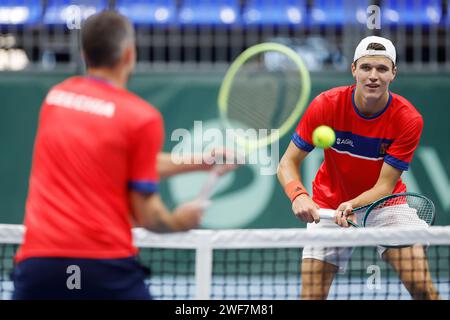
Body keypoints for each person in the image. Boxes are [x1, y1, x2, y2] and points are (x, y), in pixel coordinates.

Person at [12, 11, 234, 300]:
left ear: (83, 53)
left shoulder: (55, 99)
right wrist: (180, 221)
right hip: (103, 267)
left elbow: (116, 162)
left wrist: (201, 162)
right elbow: (148, 216)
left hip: (39, 265)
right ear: (130, 54)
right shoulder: (141, 118)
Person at [277, 36, 440, 300]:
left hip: (386, 205)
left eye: (382, 68)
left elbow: (384, 186)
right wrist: (298, 194)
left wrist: (353, 205)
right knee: (311, 297)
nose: (373, 76)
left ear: (393, 73)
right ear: (354, 69)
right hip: (330, 205)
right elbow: (287, 163)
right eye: (366, 67)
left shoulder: (407, 119)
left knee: (422, 287)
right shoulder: (326, 105)